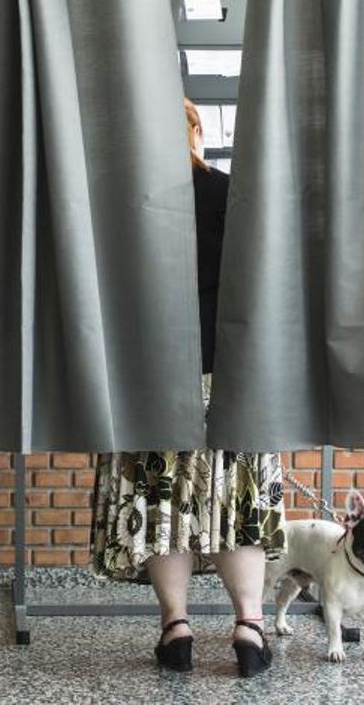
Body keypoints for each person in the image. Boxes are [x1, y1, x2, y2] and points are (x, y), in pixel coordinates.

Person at [87, 98, 288, 677]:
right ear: (195, 132)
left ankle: (176, 628)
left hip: (148, 375)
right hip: (227, 376)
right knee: (235, 505)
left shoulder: (118, 205)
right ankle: (248, 627)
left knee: (161, 504)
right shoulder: (229, 195)